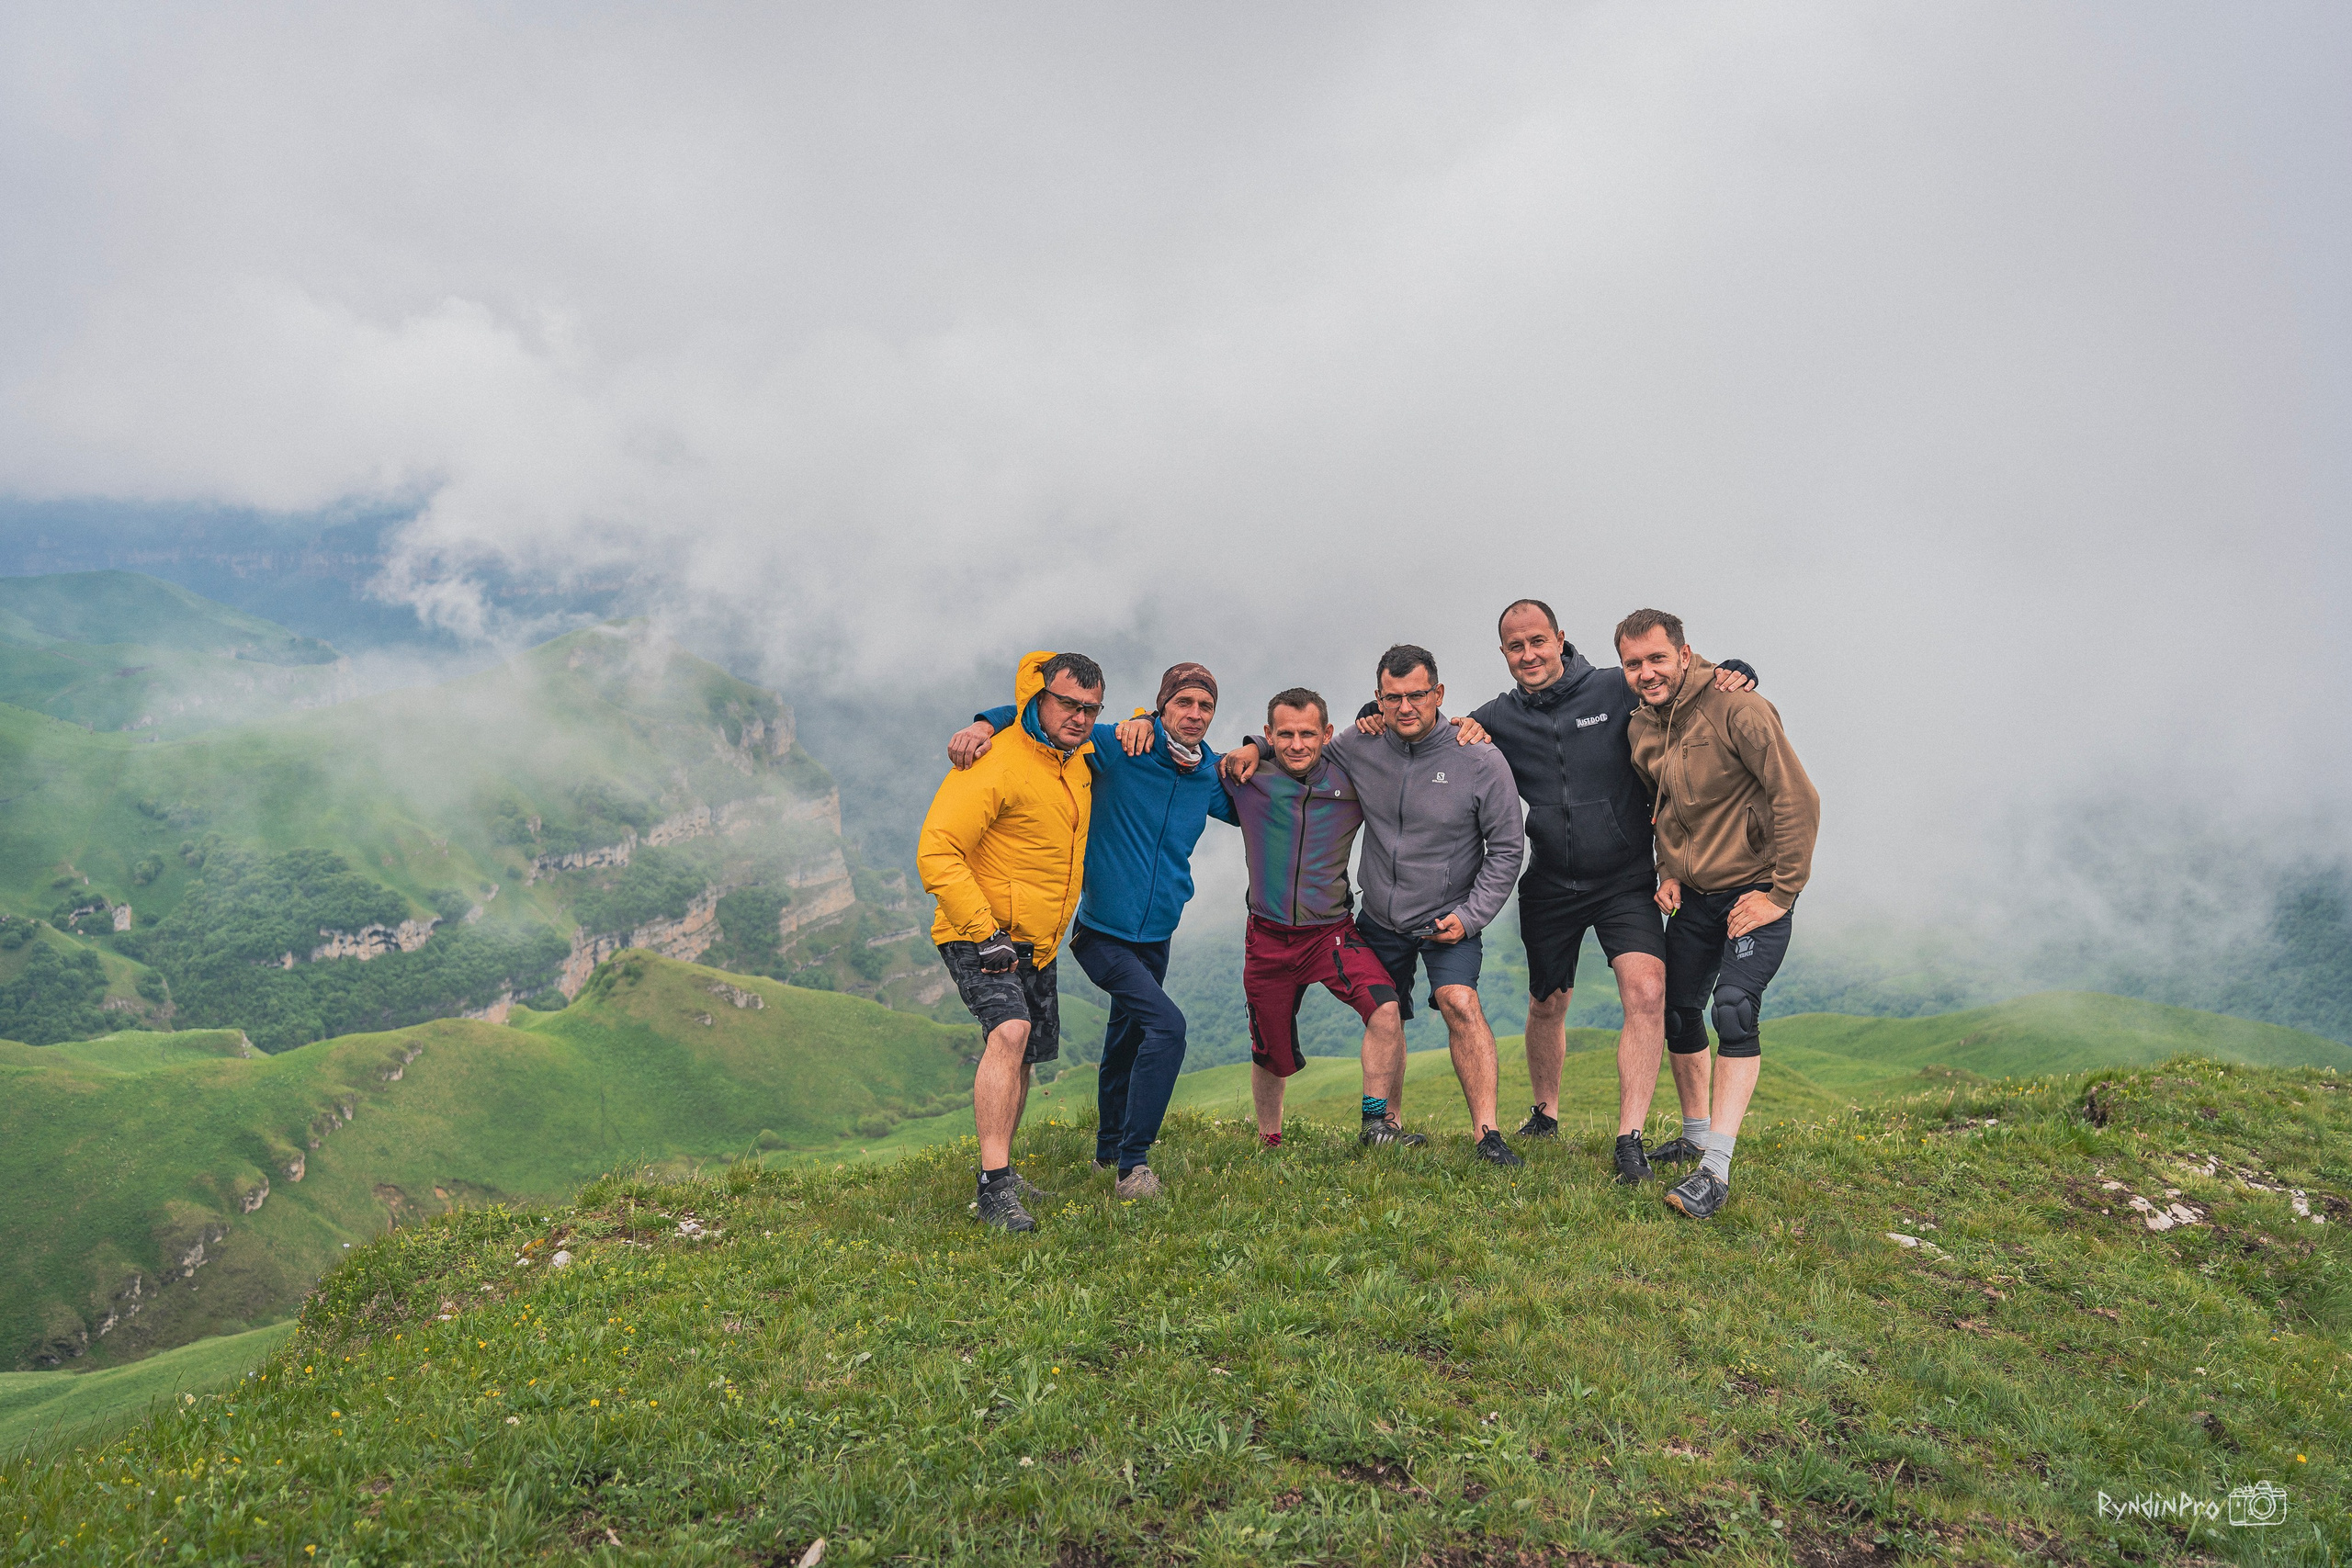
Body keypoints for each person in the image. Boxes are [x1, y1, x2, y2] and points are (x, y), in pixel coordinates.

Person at [1374, 600, 1757, 1185]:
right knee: (1548, 1002)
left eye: (1537, 642)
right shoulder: (1495, 717)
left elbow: (1672, 682)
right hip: (1550, 880)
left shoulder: (1613, 689)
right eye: (1515, 647)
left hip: (1626, 879)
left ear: (1559, 639)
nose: (1528, 655)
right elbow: (1422, 725)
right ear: (1504, 654)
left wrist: (1727, 667)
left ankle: (1629, 1137)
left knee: (1648, 993)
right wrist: (1369, 716)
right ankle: (1546, 1113)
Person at [948, 662, 1236, 1200]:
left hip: (1159, 932)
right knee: (1167, 1027)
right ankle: (1134, 1165)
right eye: (1183, 704)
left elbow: (1255, 799)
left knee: (1126, 1036)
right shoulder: (1117, 746)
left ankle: (1106, 1153)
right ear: (1162, 705)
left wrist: (1254, 752)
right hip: (1099, 931)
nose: (1194, 715)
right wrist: (984, 725)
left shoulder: (1207, 775)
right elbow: (1048, 719)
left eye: (1205, 707)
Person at [1227, 645, 1525, 1164]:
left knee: (1459, 1002)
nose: (1406, 706)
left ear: (1439, 694)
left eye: (1417, 695)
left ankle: (1487, 1134)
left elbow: (1507, 848)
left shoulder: (1479, 757)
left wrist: (1471, 916)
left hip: (1449, 915)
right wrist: (1253, 746)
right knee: (1388, 1013)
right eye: (1394, 697)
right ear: (1378, 700)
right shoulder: (1358, 747)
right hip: (1381, 918)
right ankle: (1388, 1126)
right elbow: (1300, 747)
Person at [1618, 608, 1820, 1220]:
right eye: (1633, 663)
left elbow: (1797, 797)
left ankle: (1716, 1170)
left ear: (1685, 653)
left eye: (1657, 658)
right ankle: (1696, 1131)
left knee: (1733, 1008)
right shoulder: (1641, 728)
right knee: (1680, 1009)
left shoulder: (1739, 708)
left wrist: (1781, 892)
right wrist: (1670, 870)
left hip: (1756, 891)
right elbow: (1671, 808)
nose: (1646, 672)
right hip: (1697, 896)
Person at [918, 649, 1105, 1232]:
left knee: (1024, 1053)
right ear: (1037, 699)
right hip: (980, 929)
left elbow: (1161, 726)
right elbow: (937, 850)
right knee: (1010, 1031)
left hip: (1038, 938)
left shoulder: (1079, 760)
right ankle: (995, 1189)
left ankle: (1002, 1170)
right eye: (1068, 704)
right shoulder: (992, 760)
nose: (1079, 717)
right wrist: (984, 931)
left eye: (1091, 709)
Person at [1213, 687, 1410, 1147]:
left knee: (1385, 1010)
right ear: (1268, 734)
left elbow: (1392, 741)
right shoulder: (1245, 777)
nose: (1297, 744)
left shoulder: (1350, 780)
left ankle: (1375, 1125)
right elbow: (1188, 758)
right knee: (1269, 1052)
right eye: (1284, 734)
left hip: (1331, 934)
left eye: (1307, 733)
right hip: (1266, 935)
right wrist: (1250, 749)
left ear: (1326, 733)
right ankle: (1270, 1141)